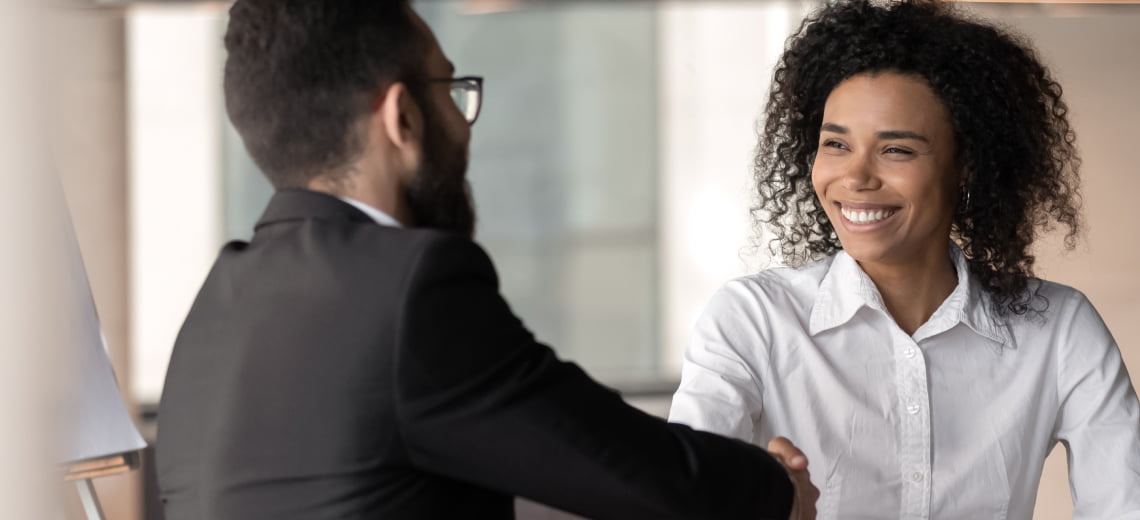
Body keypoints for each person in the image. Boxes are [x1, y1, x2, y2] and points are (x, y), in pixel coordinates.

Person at [154, 1, 820, 519]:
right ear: (401, 117)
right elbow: (629, 468)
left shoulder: (215, 308)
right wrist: (773, 487)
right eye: (450, 88)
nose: (463, 119)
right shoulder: (408, 286)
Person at [668, 1, 1140, 518]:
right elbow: (679, 499)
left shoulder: (1058, 328)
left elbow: (1136, 507)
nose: (857, 178)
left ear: (967, 165)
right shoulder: (752, 319)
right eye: (836, 144)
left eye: (897, 150)